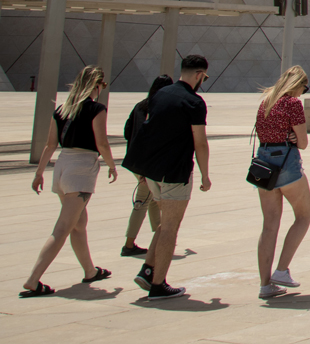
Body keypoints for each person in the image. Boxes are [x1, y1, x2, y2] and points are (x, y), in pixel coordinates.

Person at [19, 66, 117, 298]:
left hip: (63, 167)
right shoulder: (96, 109)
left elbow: (50, 144)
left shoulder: (63, 109)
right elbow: (101, 142)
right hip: (81, 169)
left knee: (78, 223)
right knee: (63, 227)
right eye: (101, 85)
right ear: (96, 84)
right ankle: (33, 280)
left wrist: (39, 172)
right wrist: (112, 165)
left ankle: (90, 271)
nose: (101, 90)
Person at [122, 55, 212, 302]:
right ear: (198, 74)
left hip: (152, 172)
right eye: (204, 77)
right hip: (174, 172)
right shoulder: (194, 102)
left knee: (164, 223)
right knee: (171, 227)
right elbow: (200, 143)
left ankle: (148, 270)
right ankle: (158, 285)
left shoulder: (161, 94)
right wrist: (205, 174)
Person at [253, 66, 310, 300]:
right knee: (304, 215)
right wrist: (293, 136)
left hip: (264, 162)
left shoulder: (266, 100)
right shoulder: (292, 104)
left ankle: (264, 284)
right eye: (304, 87)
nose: (303, 92)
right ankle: (281, 270)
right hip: (286, 162)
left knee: (269, 224)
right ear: (298, 84)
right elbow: (303, 142)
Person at [121, 75, 173, 258]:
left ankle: (157, 238)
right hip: (147, 163)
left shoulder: (140, 106)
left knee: (152, 199)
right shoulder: (158, 108)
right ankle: (129, 244)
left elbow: (127, 131)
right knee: (142, 202)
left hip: (135, 160)